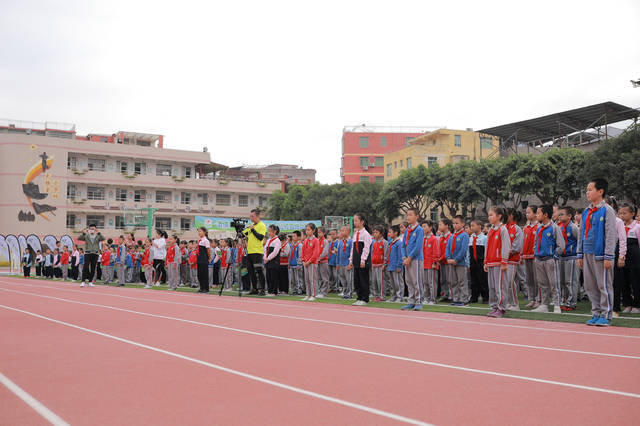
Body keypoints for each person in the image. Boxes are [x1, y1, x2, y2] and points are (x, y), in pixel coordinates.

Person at [578, 179, 618, 326]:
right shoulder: (586, 211)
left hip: (601, 254)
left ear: (600, 191)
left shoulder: (607, 210)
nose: (587, 192)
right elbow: (582, 233)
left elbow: (611, 235)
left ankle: (606, 314)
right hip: (587, 252)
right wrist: (580, 253)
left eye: (590, 189)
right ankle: (595, 312)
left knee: (604, 285)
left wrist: (609, 255)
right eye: (587, 190)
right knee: (590, 285)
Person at [532, 205, 565, 313]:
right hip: (539, 259)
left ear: (546, 214)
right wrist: (535, 252)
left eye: (538, 213)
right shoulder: (539, 228)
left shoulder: (554, 227)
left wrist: (554, 256)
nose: (537, 215)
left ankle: (557, 305)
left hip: (550, 259)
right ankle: (544, 305)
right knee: (542, 284)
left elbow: (561, 245)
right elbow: (536, 242)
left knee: (554, 283)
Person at [484, 206, 511, 318]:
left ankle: (501, 308)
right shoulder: (491, 230)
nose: (489, 217)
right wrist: (485, 261)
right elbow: (487, 246)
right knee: (492, 287)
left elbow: (506, 246)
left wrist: (504, 261)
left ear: (499, 216)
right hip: (490, 263)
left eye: (491, 215)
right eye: (489, 215)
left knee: (500, 286)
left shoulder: (503, 229)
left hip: (499, 263)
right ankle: (494, 307)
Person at [401, 208, 425, 311]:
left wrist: (410, 257)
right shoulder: (407, 230)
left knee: (416, 281)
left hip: (415, 259)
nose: (408, 217)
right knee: (408, 280)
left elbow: (418, 246)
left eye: (410, 215)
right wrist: (404, 257)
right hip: (407, 259)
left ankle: (418, 301)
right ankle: (411, 301)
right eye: (407, 215)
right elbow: (403, 245)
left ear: (416, 216)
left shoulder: (419, 230)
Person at [557, 206, 580, 311]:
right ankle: (563, 301)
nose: (559, 216)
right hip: (562, 257)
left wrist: (579, 254)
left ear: (569, 216)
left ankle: (571, 302)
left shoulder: (574, 227)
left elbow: (579, 241)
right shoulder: (559, 227)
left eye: (562, 214)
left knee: (570, 281)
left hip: (572, 257)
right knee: (562, 281)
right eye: (559, 214)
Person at [619, 203, 640, 313]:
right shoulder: (620, 226)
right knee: (624, 281)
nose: (622, 215)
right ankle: (627, 304)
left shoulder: (637, 227)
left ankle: (637, 304)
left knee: (635, 281)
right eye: (620, 213)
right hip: (623, 258)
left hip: (635, 259)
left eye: (624, 213)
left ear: (632, 214)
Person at [446, 215, 470, 307]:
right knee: (454, 281)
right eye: (453, 223)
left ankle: (464, 299)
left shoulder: (464, 235)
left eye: (457, 223)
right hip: (451, 262)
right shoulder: (452, 236)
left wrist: (456, 259)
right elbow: (448, 248)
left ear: (463, 224)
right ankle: (456, 298)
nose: (455, 225)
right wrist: (448, 258)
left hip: (460, 263)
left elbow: (463, 250)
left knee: (462, 281)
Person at [242, 209, 267, 295]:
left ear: (257, 216)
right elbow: (242, 234)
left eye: (252, 216)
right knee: (250, 271)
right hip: (249, 252)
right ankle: (254, 289)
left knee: (259, 271)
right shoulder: (251, 226)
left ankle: (263, 289)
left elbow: (260, 237)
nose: (250, 218)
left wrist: (253, 230)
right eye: (250, 216)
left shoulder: (261, 225)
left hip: (257, 252)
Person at [349, 213, 372, 306]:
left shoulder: (365, 234)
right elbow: (353, 248)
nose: (354, 222)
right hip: (356, 260)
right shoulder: (355, 234)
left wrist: (363, 260)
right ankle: (359, 297)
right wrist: (351, 260)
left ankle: (365, 298)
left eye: (356, 221)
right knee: (357, 280)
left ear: (362, 222)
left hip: (363, 261)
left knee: (363, 280)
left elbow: (366, 248)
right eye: (354, 221)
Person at [505, 208, 524, 310]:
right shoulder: (504, 227)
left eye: (506, 215)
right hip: (504, 260)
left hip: (512, 259)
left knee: (510, 281)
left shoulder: (517, 229)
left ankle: (515, 304)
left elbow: (517, 246)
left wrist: (506, 252)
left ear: (511, 215)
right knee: (505, 282)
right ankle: (508, 302)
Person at [521, 205, 539, 308]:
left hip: (535, 256)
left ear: (536, 213)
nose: (527, 214)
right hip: (526, 256)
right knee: (529, 279)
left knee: (537, 279)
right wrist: (522, 255)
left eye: (529, 212)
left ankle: (538, 299)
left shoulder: (538, 226)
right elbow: (524, 241)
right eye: (526, 212)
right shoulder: (526, 228)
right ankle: (531, 299)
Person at [468, 219, 488, 304]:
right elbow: (468, 252)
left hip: (481, 262)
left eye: (473, 225)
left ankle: (485, 297)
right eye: (471, 226)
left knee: (483, 280)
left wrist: (485, 262)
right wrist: (468, 263)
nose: (471, 227)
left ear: (479, 226)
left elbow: (486, 251)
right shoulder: (471, 238)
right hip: (473, 262)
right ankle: (474, 297)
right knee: (473, 280)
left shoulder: (484, 238)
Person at [302, 223, 320, 300]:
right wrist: (303, 260)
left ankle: (314, 295)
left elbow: (316, 253)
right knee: (307, 279)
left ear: (313, 230)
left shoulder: (316, 240)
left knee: (312, 279)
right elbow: (303, 251)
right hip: (305, 263)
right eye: (306, 230)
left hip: (312, 263)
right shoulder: (306, 240)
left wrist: (309, 261)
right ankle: (308, 294)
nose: (307, 231)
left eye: (309, 230)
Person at [370, 225, 388, 302]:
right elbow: (372, 253)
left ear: (381, 234)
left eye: (376, 232)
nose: (374, 234)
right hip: (374, 264)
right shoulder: (374, 243)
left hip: (381, 265)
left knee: (381, 281)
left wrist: (384, 263)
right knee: (374, 281)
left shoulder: (385, 242)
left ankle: (382, 296)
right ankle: (375, 295)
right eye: (374, 232)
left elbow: (386, 253)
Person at [387, 225, 404, 303]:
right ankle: (394, 296)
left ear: (396, 233)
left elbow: (400, 255)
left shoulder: (399, 243)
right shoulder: (391, 242)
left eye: (390, 232)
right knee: (392, 283)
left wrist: (399, 265)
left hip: (396, 266)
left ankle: (399, 296)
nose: (389, 233)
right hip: (391, 265)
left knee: (398, 283)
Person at [263, 225, 282, 296]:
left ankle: (274, 291)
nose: (269, 233)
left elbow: (275, 252)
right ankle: (269, 290)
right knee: (268, 276)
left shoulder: (277, 241)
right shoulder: (268, 240)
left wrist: (268, 258)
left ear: (275, 231)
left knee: (274, 276)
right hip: (268, 261)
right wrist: (265, 257)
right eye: (268, 231)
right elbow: (265, 249)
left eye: (270, 231)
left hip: (274, 261)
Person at [438, 218, 453, 302]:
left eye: (441, 224)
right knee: (443, 279)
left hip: (447, 261)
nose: (439, 226)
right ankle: (445, 294)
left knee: (449, 279)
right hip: (441, 262)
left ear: (446, 225)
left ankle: (451, 295)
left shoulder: (450, 237)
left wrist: (442, 257)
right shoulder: (441, 237)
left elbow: (449, 250)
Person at [336, 226, 353, 299]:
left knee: (349, 279)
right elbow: (338, 253)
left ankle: (349, 293)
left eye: (343, 231)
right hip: (341, 264)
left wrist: (350, 263)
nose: (341, 232)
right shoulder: (340, 242)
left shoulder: (351, 241)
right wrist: (337, 263)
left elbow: (352, 253)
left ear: (348, 232)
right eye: (341, 231)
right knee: (342, 280)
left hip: (347, 264)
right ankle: (345, 292)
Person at [195, 227, 212, 293]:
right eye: (198, 231)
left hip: (204, 259)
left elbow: (208, 250)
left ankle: (206, 288)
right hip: (199, 259)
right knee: (199, 274)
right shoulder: (199, 240)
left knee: (204, 274)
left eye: (200, 231)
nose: (199, 233)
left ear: (204, 232)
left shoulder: (206, 240)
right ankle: (201, 288)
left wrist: (209, 258)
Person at [316, 227, 330, 298]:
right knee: (319, 278)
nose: (318, 234)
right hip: (318, 261)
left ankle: (324, 292)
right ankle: (319, 291)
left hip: (323, 261)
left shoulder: (325, 241)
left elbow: (325, 251)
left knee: (324, 277)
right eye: (318, 232)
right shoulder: (317, 240)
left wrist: (319, 257)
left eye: (320, 232)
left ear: (324, 233)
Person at [289, 231, 303, 295]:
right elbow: (290, 254)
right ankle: (294, 289)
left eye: (294, 236)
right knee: (293, 279)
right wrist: (289, 262)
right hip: (292, 264)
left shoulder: (299, 245)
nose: (293, 237)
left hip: (297, 265)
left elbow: (300, 255)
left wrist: (299, 264)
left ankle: (299, 290)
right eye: (292, 236)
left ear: (299, 237)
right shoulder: (292, 245)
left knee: (298, 278)